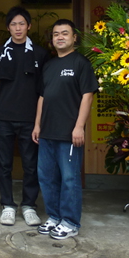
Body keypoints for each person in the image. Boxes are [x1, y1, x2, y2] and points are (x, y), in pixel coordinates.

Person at [32, 19, 98, 240]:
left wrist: (79, 127)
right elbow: (42, 96)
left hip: (69, 133)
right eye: (56, 34)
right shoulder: (49, 65)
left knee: (70, 179)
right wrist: (37, 124)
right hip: (47, 132)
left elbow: (87, 96)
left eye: (64, 33)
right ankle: (54, 216)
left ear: (74, 38)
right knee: (46, 177)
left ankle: (70, 221)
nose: (60, 37)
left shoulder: (81, 63)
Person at [0, 6, 48, 227]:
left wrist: (39, 121)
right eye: (13, 24)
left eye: (22, 23)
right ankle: (8, 205)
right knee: (3, 163)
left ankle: (29, 205)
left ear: (29, 26)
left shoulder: (40, 54)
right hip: (3, 116)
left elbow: (44, 87)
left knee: (31, 163)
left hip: (30, 118)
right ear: (8, 28)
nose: (18, 28)